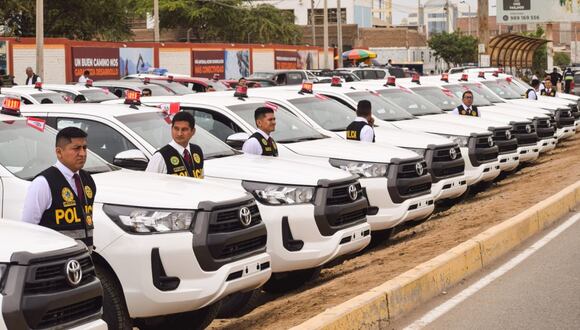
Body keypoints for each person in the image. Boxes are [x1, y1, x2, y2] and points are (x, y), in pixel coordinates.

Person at [22, 127, 96, 248]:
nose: (82, 153)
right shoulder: (43, 183)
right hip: (53, 260)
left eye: (84, 148)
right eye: (76, 148)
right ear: (59, 152)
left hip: (82, 259)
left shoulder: (87, 180)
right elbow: (28, 227)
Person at [146, 111, 204, 178]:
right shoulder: (161, 156)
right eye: (176, 129)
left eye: (184, 129)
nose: (179, 133)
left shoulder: (197, 151)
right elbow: (148, 184)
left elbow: (201, 178)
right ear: (171, 128)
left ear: (193, 131)